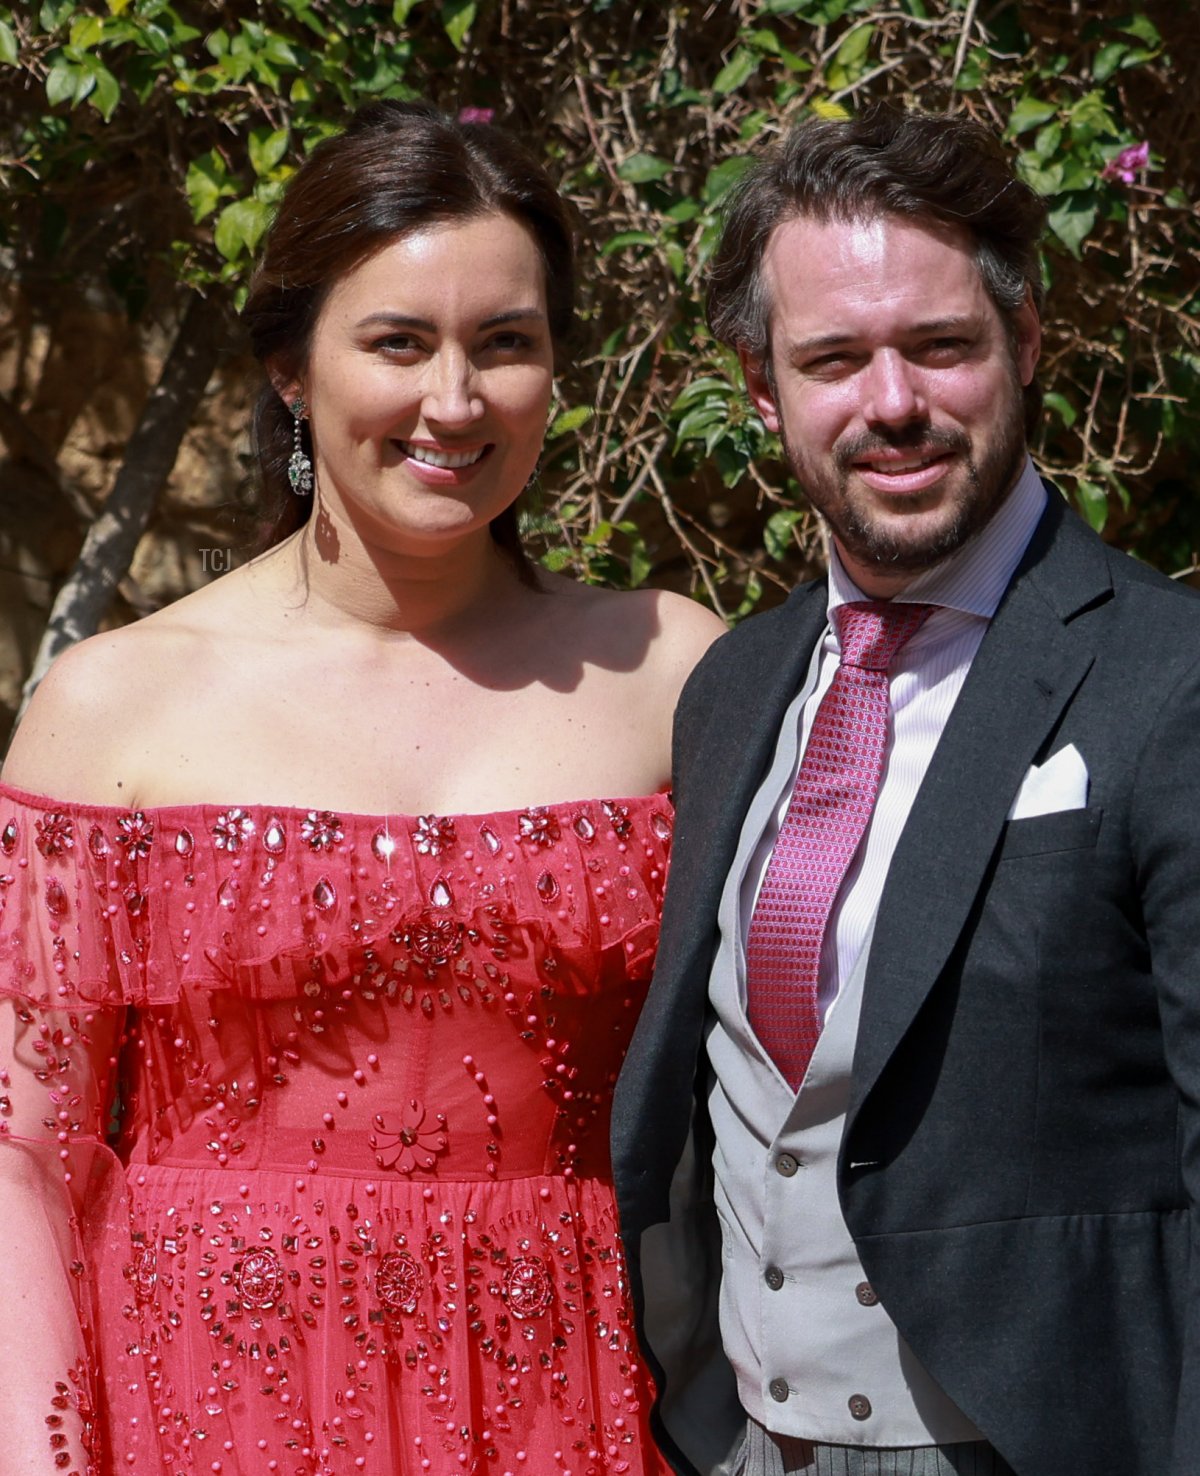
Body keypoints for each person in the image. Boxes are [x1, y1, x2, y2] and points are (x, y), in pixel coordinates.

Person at [0, 101, 723, 1474]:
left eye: (505, 345)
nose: (456, 401)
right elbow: (19, 1155)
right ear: (292, 366)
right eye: (400, 342)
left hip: (578, 1394)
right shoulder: (114, 705)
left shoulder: (673, 672)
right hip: (205, 1405)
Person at [611, 101, 1200, 1476]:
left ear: (1027, 345)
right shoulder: (735, 687)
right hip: (742, 1441)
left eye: (940, 346)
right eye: (835, 359)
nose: (892, 404)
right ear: (764, 389)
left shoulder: (1171, 681)